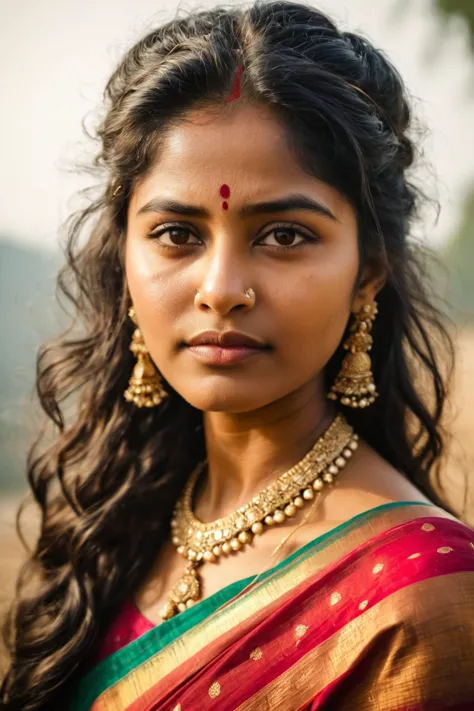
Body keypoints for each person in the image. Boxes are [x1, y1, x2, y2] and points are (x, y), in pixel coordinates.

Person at [2, 1, 474, 709]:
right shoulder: (114, 528)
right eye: (176, 234)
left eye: (284, 234)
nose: (221, 290)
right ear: (125, 256)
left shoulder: (423, 598)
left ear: (368, 267)